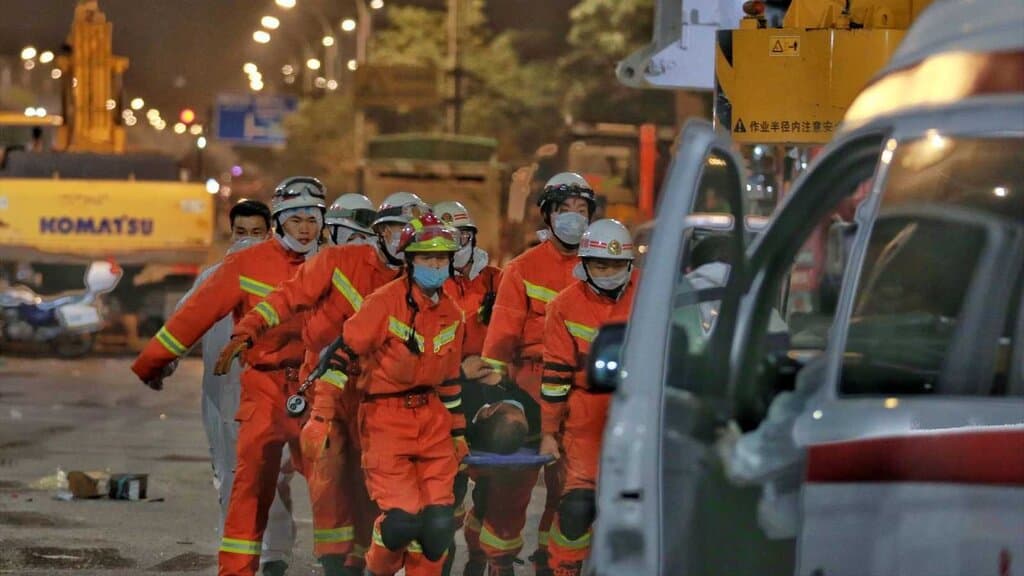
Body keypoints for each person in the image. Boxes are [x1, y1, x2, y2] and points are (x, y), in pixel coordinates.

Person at [218, 192, 428, 576]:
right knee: (329, 477)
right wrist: (248, 331)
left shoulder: (415, 280)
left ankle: (365, 560)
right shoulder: (336, 262)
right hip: (326, 390)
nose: (404, 238)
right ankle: (337, 563)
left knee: (373, 483)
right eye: (398, 229)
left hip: (378, 396)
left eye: (411, 231)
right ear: (380, 232)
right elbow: (287, 298)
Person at [132, 176, 327, 576]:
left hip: (320, 386)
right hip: (263, 387)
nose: (306, 228)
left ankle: (345, 565)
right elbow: (192, 316)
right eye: (297, 219)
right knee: (251, 485)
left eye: (313, 219)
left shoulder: (333, 263)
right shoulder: (243, 266)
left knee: (335, 482)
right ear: (281, 221)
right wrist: (153, 362)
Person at [322, 213, 467, 576]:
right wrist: (321, 416)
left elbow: (450, 381)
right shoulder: (383, 303)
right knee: (401, 523)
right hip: (385, 421)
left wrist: (460, 433)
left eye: (442, 258)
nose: (436, 265)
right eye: (426, 258)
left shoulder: (452, 313)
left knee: (436, 528)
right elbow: (341, 356)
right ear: (409, 261)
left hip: (433, 423)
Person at [478, 172, 597, 575]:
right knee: (514, 486)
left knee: (572, 490)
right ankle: (500, 561)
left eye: (582, 211)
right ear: (547, 216)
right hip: (528, 387)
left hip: (581, 392)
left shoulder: (603, 267)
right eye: (565, 210)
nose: (574, 218)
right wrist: (495, 396)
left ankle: (554, 562)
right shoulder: (523, 269)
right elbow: (499, 341)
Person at [172, 200, 297, 575]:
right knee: (230, 477)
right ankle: (239, 559)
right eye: (240, 233)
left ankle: (274, 557)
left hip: (270, 397)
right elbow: (181, 323)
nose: (247, 241)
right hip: (221, 398)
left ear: (270, 235)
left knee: (273, 480)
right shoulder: (213, 277)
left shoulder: (289, 281)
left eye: (256, 233)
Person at [538, 219, 640, 576]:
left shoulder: (651, 297)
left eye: (616, 265)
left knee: (636, 509)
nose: (609, 272)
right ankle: (563, 568)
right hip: (586, 421)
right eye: (601, 265)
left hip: (640, 416)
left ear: (630, 265)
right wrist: (548, 432)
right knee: (577, 509)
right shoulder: (564, 306)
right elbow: (554, 376)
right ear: (583, 265)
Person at [430, 201, 503, 576]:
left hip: (487, 390)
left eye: (460, 236)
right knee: (447, 488)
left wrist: (493, 364)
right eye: (444, 239)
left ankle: (479, 557)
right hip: (441, 396)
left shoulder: (497, 280)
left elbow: (517, 336)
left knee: (495, 482)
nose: (454, 245)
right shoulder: (422, 281)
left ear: (472, 237)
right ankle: (443, 561)